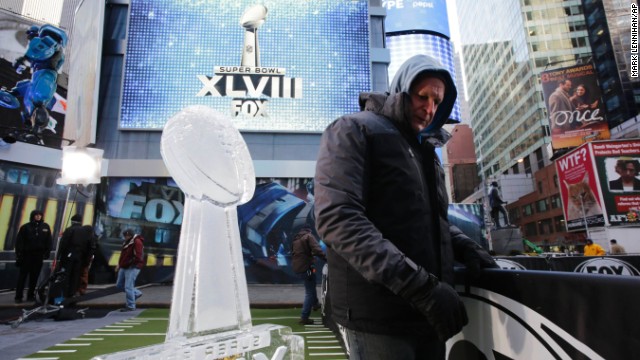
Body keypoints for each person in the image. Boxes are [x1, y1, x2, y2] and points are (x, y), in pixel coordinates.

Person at [314, 54, 498, 359]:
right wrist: (422, 289)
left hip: (426, 314)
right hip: (378, 316)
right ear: (400, 90)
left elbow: (423, 219)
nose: (429, 109)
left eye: (437, 102)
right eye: (422, 95)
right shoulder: (353, 129)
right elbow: (338, 219)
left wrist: (463, 244)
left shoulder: (426, 150)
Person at [14, 209, 52, 303]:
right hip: (26, 255)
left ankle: (31, 295)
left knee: (34, 277)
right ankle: (18, 296)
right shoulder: (25, 227)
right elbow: (19, 242)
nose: (38, 216)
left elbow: (49, 241)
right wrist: (19, 254)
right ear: (33, 216)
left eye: (40, 215)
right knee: (22, 277)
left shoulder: (46, 227)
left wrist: (47, 252)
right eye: (36, 215)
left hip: (38, 255)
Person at [291, 227, 326, 325]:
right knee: (309, 292)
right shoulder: (308, 236)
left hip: (298, 267)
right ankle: (304, 317)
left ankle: (315, 304)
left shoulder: (296, 239)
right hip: (306, 267)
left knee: (311, 285)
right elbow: (317, 250)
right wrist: (327, 259)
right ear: (309, 231)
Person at [58, 214, 96, 298]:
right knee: (76, 275)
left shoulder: (69, 230)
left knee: (65, 275)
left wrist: (59, 256)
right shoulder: (85, 232)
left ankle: (63, 293)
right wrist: (86, 259)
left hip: (68, 256)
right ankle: (72, 292)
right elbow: (90, 246)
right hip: (79, 257)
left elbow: (63, 244)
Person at [115, 229, 144, 311]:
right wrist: (120, 264)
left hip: (132, 267)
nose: (125, 237)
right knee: (119, 285)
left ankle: (131, 305)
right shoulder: (128, 242)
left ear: (129, 235)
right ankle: (136, 293)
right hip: (125, 266)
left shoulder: (137, 242)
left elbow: (138, 256)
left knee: (128, 287)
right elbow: (123, 255)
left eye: (126, 236)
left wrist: (130, 263)